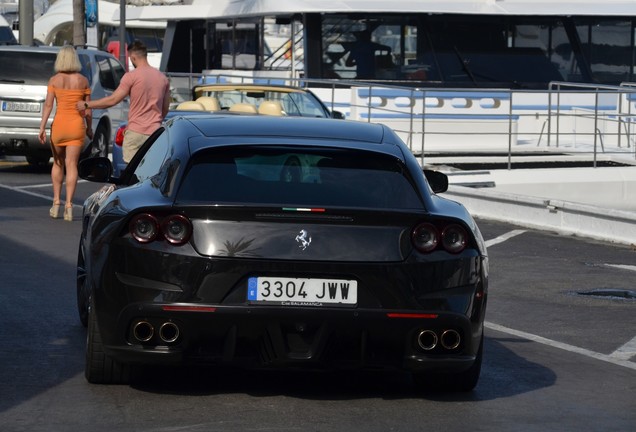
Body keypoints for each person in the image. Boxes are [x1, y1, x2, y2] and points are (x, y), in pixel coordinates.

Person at [77, 40, 170, 164]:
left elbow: (113, 99)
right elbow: (165, 109)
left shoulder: (131, 76)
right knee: (152, 171)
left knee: (131, 174)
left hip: (135, 132)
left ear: (133, 57)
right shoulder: (163, 79)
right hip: (155, 133)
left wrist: (87, 104)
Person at [39, 45, 93, 222]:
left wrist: (42, 127)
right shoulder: (83, 80)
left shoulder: (54, 80)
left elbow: (48, 106)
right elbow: (87, 110)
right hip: (76, 126)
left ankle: (56, 203)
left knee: (58, 163)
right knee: (72, 164)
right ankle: (69, 206)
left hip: (60, 125)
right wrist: (89, 128)